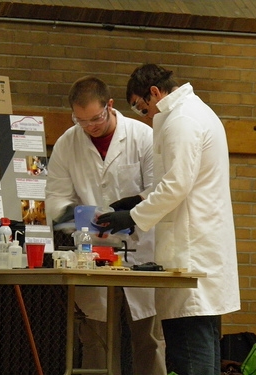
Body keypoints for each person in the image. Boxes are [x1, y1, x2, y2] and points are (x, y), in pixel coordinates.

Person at [97, 63, 241, 375]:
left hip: (192, 252)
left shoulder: (183, 120)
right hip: (197, 247)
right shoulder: (191, 112)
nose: (142, 114)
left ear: (154, 92)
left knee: (192, 357)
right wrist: (139, 199)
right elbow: (183, 181)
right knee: (200, 351)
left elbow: (178, 184)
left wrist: (133, 216)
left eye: (140, 106)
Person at [46, 76, 166, 375]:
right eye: (81, 120)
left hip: (141, 249)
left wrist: (132, 211)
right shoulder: (67, 143)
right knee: (95, 341)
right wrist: (74, 214)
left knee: (148, 340)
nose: (90, 127)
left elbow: (159, 189)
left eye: (96, 118)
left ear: (110, 106)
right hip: (91, 253)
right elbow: (56, 197)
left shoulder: (143, 136)